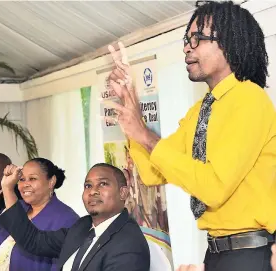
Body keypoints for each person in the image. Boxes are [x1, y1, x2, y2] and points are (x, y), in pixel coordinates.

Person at [105, 1, 276, 270]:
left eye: (197, 38)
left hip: (250, 254)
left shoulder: (249, 99)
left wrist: (146, 136)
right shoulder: (202, 110)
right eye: (187, 39)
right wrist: (132, 114)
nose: (186, 47)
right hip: (216, 252)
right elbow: (152, 172)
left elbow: (214, 187)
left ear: (229, 43)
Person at [0, 163, 150, 271]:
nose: (93, 191)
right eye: (88, 185)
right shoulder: (83, 226)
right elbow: (34, 241)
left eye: (103, 184)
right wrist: (8, 190)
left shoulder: (128, 244)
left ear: (123, 193)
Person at [0, 158, 79, 271]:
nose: (25, 185)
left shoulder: (67, 219)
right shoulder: (17, 207)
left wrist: (7, 189)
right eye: (21, 179)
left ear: (51, 181)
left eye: (33, 179)